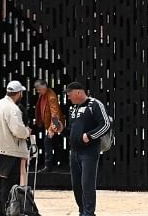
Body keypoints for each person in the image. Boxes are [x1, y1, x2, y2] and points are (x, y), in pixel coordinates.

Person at [0, 81, 31, 216]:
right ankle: (5, 212)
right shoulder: (12, 108)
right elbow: (18, 131)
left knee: (1, 184)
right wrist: (27, 131)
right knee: (9, 185)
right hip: (8, 150)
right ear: (19, 93)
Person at [64, 82, 110, 216]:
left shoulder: (94, 104)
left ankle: (88, 213)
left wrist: (89, 136)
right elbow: (72, 131)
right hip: (74, 152)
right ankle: (82, 211)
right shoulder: (73, 109)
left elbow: (106, 125)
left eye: (69, 94)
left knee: (87, 185)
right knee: (76, 186)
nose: (68, 97)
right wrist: (62, 130)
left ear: (78, 92)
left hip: (89, 152)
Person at [33, 81, 65, 172]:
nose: (38, 91)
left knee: (47, 142)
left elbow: (55, 113)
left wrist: (52, 129)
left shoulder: (51, 97)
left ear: (44, 87)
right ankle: (59, 163)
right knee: (55, 143)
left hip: (54, 125)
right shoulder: (43, 95)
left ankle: (48, 166)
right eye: (37, 90)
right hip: (48, 124)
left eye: (39, 89)